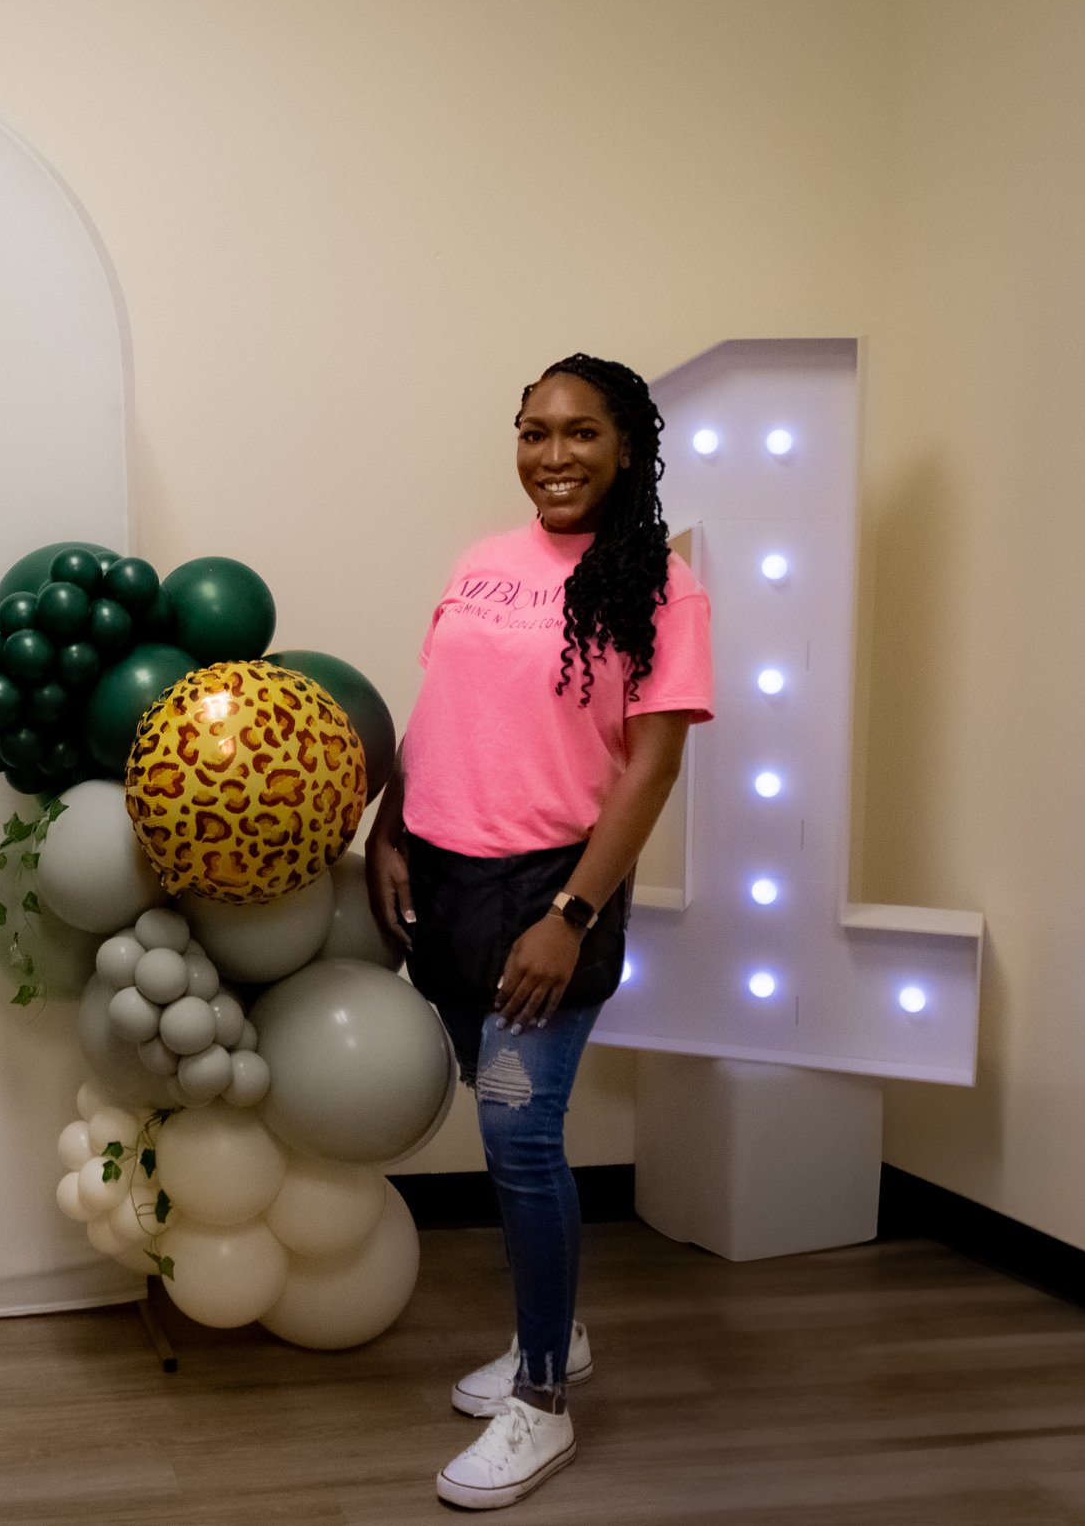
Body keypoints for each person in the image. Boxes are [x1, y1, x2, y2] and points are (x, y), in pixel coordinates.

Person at [366, 354, 711, 1510]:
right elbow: (439, 708)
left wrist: (571, 913)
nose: (550, 455)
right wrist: (389, 826)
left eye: (578, 433)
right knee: (491, 1099)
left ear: (626, 448)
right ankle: (550, 1329)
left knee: (519, 1135)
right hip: (446, 876)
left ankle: (544, 1402)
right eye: (532, 431)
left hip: (550, 889)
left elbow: (652, 764)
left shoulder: (659, 587)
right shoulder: (481, 560)